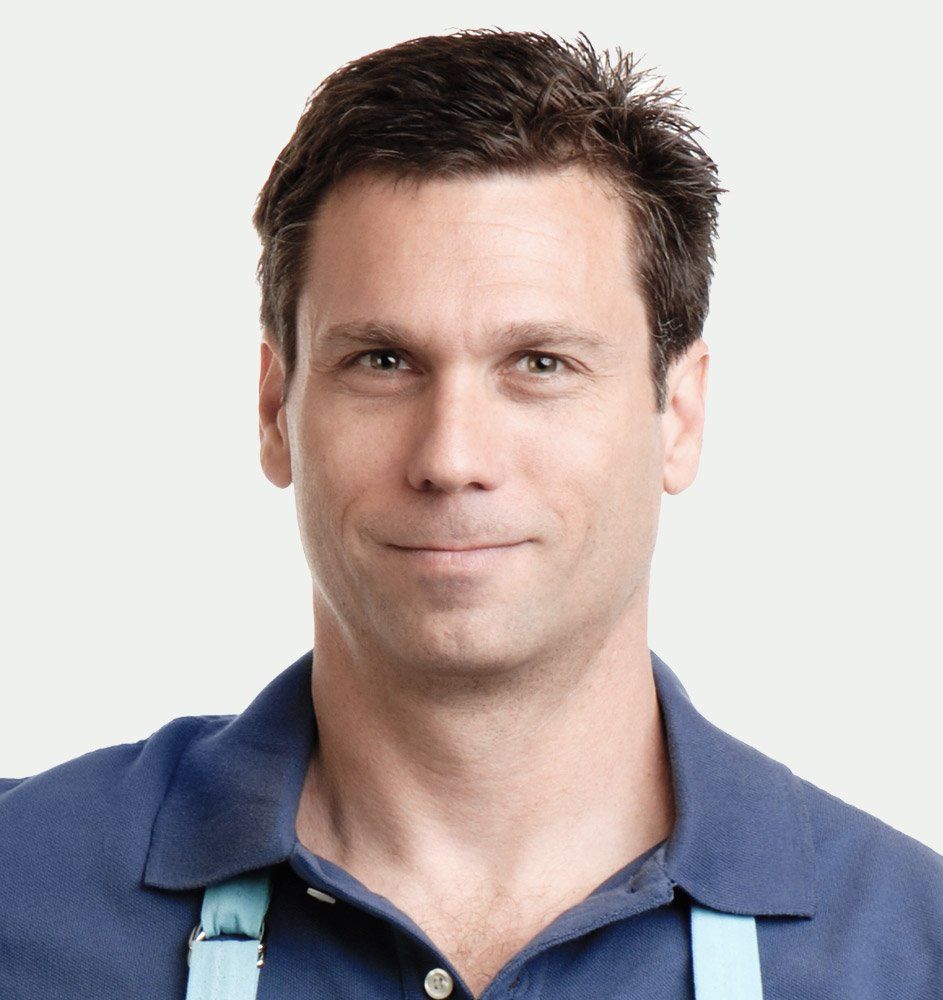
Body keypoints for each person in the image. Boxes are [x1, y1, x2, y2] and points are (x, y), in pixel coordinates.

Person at [1, 28, 940, 1000]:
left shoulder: (910, 951)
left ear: (679, 416)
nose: (451, 458)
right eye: (382, 361)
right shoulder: (20, 891)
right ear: (275, 408)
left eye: (540, 363)